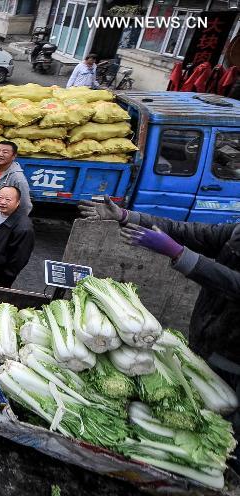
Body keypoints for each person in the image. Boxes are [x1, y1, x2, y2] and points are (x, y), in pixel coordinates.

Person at [78, 196, 240, 460]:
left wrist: (179, 254)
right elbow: (191, 232)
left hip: (235, 357)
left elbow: (234, 284)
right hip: (209, 338)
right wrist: (127, 217)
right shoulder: (236, 232)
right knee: (195, 406)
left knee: (228, 434)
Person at [0, 140, 32, 219]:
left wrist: (16, 223)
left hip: (2, 219)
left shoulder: (17, 178)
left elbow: (25, 205)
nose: (0, 154)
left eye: (5, 152)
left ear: (14, 156)